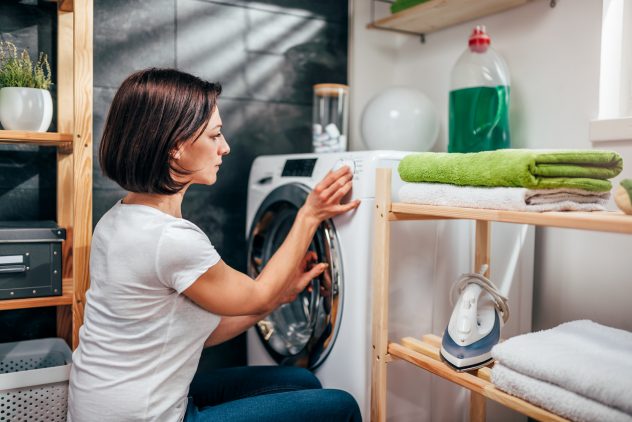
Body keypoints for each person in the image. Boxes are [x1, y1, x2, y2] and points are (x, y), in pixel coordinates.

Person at [67, 68, 362, 422]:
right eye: (215, 135)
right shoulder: (171, 239)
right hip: (146, 417)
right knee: (342, 406)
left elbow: (191, 332)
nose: (225, 147)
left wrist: (281, 297)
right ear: (175, 148)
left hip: (106, 406)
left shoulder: (117, 218)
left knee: (299, 380)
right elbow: (258, 295)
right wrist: (309, 215)